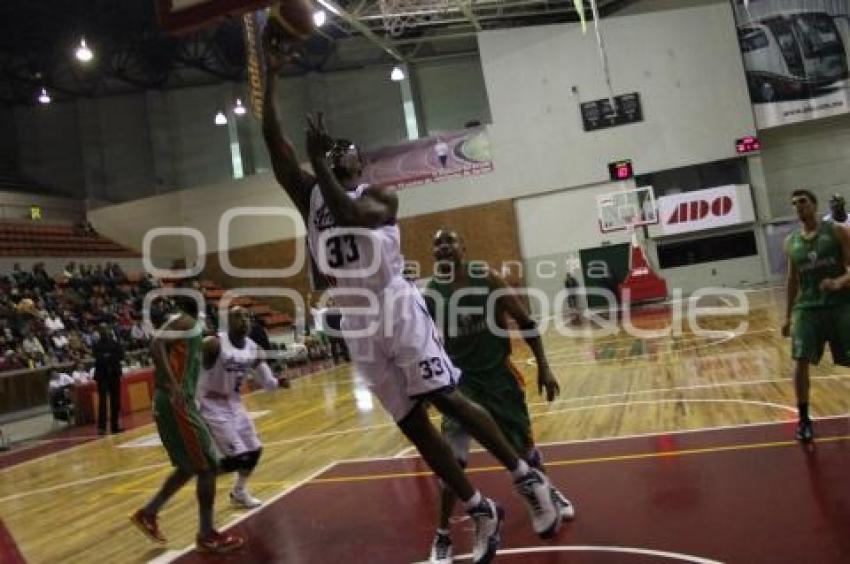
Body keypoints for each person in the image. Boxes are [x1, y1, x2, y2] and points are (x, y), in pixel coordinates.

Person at [262, 27, 561, 564]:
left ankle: (525, 478)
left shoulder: (380, 195)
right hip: (355, 320)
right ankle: (477, 508)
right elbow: (275, 145)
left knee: (445, 397)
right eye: (331, 149)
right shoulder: (309, 194)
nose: (336, 151)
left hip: (396, 306)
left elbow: (352, 214)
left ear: (359, 163)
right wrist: (272, 76)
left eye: (344, 149)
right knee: (411, 425)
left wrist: (322, 167)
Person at [425, 229, 575, 563]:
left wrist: (544, 367)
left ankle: (547, 492)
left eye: (449, 240)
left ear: (463, 246)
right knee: (453, 459)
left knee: (523, 447)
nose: (443, 247)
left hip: (497, 378)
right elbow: (427, 341)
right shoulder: (432, 293)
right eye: (437, 244)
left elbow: (526, 321)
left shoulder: (487, 279)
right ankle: (443, 536)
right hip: (459, 384)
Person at [130, 296, 244, 553]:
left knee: (188, 467)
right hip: (175, 403)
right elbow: (156, 344)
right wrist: (172, 384)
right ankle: (206, 534)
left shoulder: (192, 329)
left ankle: (148, 513)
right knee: (208, 466)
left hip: (177, 402)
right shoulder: (184, 320)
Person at [198, 306, 285, 509]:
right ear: (227, 322)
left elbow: (268, 383)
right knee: (239, 457)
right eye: (237, 316)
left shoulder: (253, 348)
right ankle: (201, 472)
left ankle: (239, 491)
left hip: (235, 404)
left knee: (254, 451)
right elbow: (192, 368)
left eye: (246, 316)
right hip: (211, 404)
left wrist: (279, 382)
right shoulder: (213, 344)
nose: (243, 320)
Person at [782, 189, 850, 442]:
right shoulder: (790, 242)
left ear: (814, 205)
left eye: (803, 202)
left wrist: (839, 282)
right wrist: (787, 316)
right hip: (807, 308)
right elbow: (791, 280)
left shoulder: (836, 232)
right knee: (800, 361)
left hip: (841, 305)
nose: (798, 206)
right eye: (794, 204)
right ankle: (804, 420)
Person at [93, 325, 125, 434]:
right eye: (102, 330)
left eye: (105, 329)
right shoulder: (96, 345)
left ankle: (114, 426)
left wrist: (107, 357)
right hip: (102, 375)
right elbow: (97, 357)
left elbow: (121, 355)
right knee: (103, 402)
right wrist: (110, 357)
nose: (104, 331)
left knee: (115, 401)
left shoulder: (115, 343)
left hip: (114, 374)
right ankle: (101, 427)